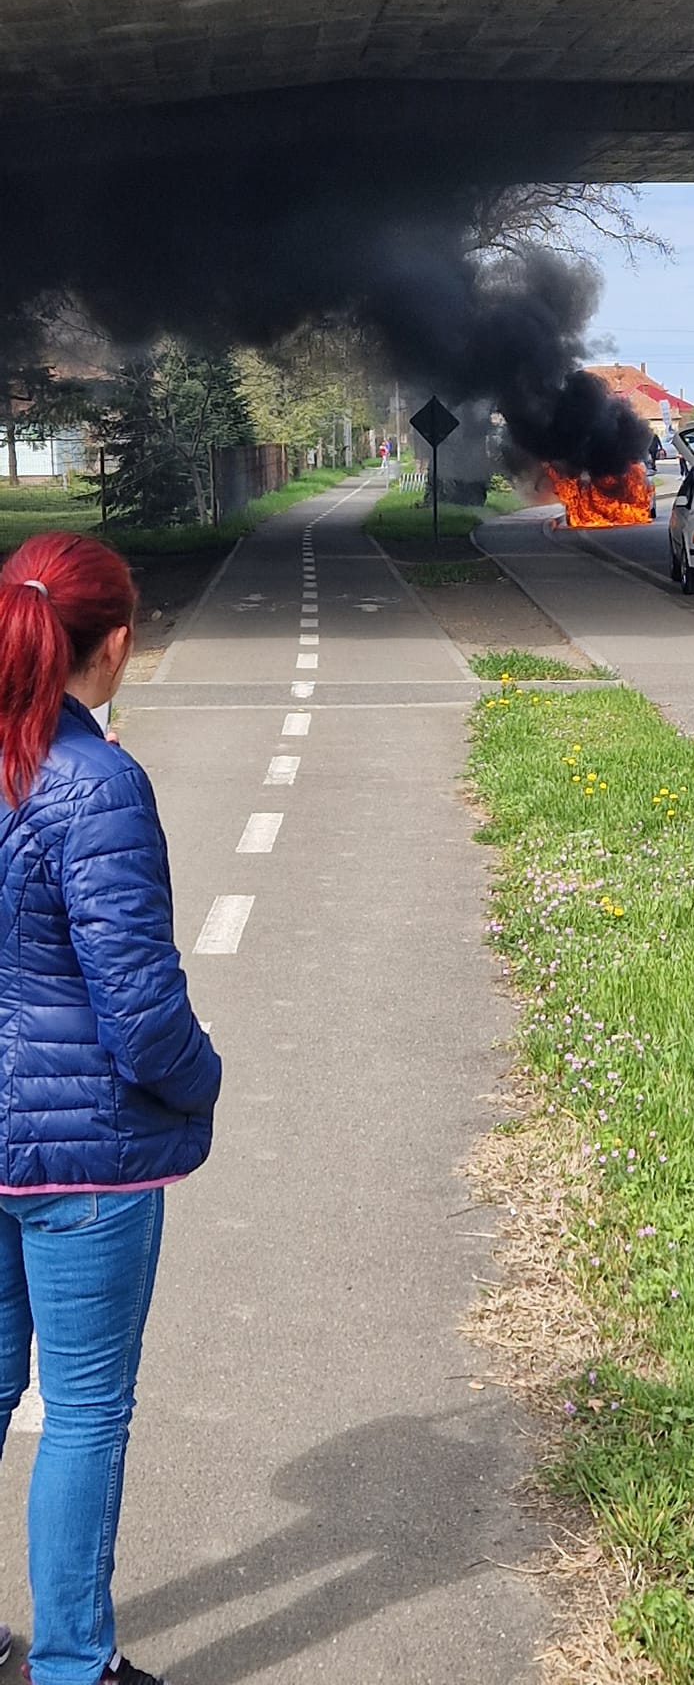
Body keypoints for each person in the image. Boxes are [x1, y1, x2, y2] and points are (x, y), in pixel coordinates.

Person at [0, 533, 222, 1685]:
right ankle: (75, 1663)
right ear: (119, 641)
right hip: (82, 1156)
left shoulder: (33, 761)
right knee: (84, 1410)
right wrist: (204, 1077)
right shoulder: (96, 781)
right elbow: (142, 1015)